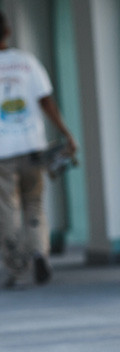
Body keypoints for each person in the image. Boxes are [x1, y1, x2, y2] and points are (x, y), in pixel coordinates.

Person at [0, 10, 77, 288]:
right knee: (34, 203)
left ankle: (15, 267)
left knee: (6, 208)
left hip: (2, 154)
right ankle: (37, 251)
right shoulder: (26, 62)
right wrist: (67, 134)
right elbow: (46, 102)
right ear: (7, 31)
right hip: (31, 146)